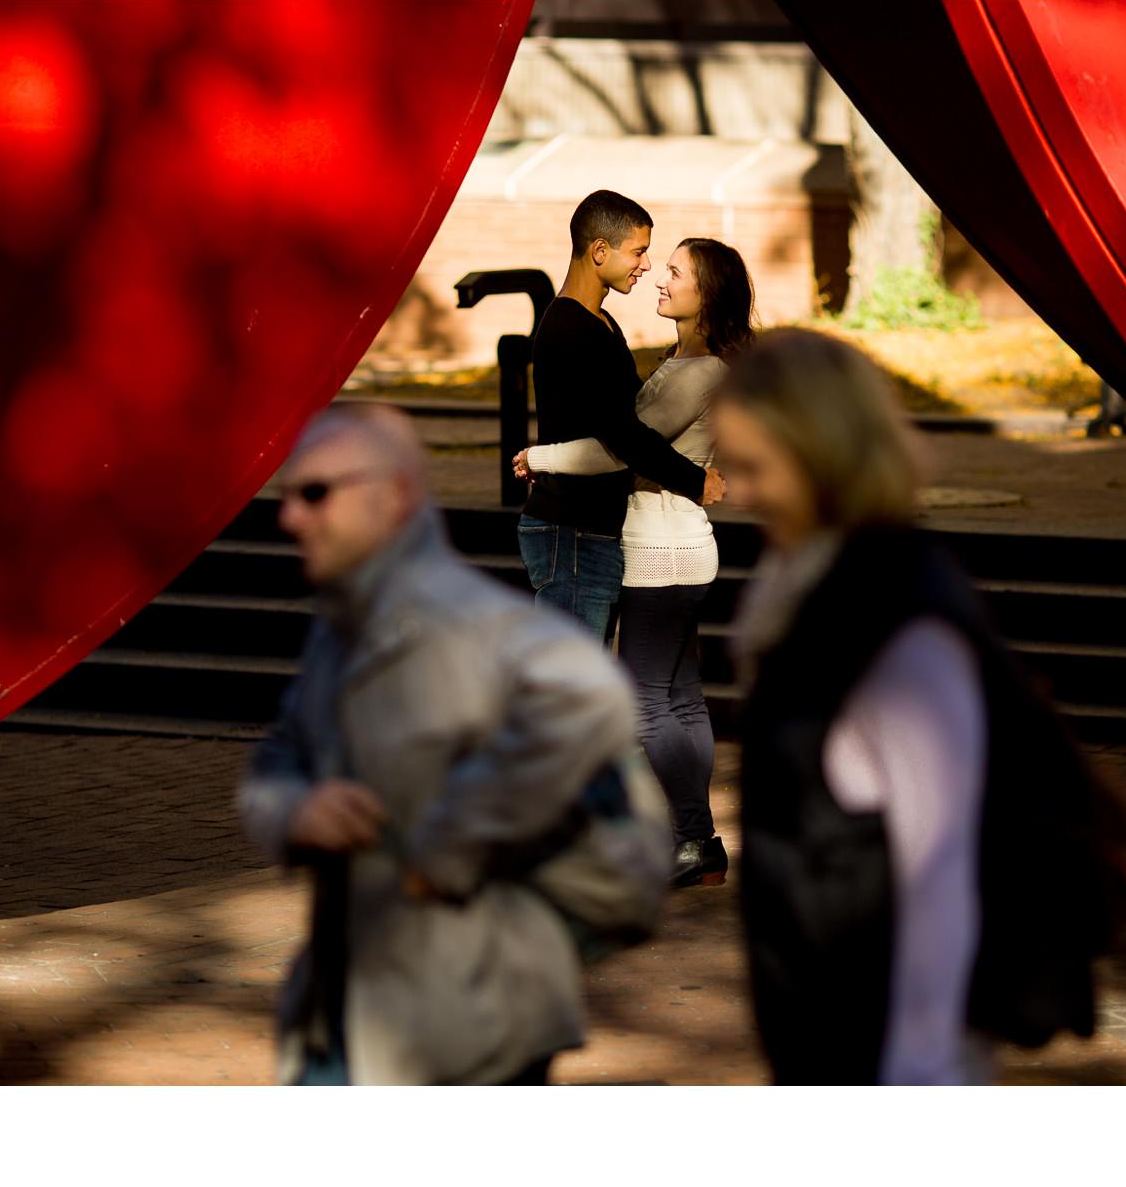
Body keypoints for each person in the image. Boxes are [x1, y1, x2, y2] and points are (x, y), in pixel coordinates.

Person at [713, 329, 1126, 1084]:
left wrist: (915, 1078)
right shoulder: (802, 586)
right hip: (827, 1026)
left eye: (754, 469)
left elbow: (938, 877)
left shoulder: (898, 623)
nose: (738, 493)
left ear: (825, 456)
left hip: (888, 1051)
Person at [238, 404, 670, 1086]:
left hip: (470, 1034)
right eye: (288, 495)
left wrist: (456, 839)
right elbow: (276, 762)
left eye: (315, 493)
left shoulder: (476, 629)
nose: (290, 517)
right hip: (347, 1018)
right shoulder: (336, 630)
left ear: (396, 495)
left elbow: (600, 720)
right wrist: (296, 811)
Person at [514, 238, 754, 888]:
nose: (661, 278)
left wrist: (542, 457)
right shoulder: (696, 365)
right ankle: (693, 839)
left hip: (657, 551)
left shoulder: (699, 372)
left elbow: (618, 453)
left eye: (676, 272)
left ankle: (692, 838)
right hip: (680, 547)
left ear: (708, 295)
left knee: (647, 701)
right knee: (679, 698)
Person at [518, 190, 727, 645]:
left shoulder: (601, 323)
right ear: (599, 251)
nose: (646, 265)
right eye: (638, 251)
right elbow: (625, 435)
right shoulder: (570, 327)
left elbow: (631, 419)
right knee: (573, 683)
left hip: (593, 528)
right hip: (570, 530)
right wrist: (694, 479)